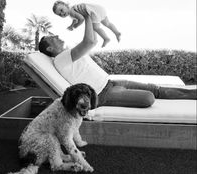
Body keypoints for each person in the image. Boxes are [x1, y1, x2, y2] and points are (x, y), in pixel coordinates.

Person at [38, 16, 196, 108]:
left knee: (156, 89)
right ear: (50, 49)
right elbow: (89, 42)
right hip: (102, 94)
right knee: (149, 97)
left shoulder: (67, 54)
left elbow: (89, 42)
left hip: (111, 82)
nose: (58, 37)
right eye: (53, 38)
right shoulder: (60, 58)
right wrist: (88, 18)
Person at [52, 0, 121, 47]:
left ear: (66, 5)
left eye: (61, 10)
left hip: (93, 12)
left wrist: (76, 26)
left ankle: (106, 38)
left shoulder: (71, 12)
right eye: (60, 14)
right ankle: (117, 33)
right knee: (107, 23)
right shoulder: (72, 12)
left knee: (95, 27)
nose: (62, 13)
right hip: (98, 9)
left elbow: (81, 19)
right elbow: (75, 19)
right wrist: (71, 25)